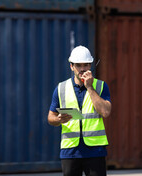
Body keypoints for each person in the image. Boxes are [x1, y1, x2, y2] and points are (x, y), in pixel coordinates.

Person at [47, 45, 112, 176]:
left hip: (95, 150)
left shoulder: (100, 86)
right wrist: (58, 119)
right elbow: (50, 118)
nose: (82, 69)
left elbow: (105, 112)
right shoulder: (61, 88)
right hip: (70, 150)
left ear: (91, 65)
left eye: (86, 65)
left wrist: (90, 87)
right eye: (79, 65)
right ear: (72, 66)